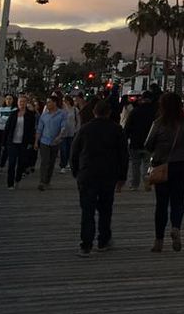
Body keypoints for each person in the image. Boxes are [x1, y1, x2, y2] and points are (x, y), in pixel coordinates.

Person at [69, 98, 127, 256]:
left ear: (94, 112)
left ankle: (86, 244)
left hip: (87, 174)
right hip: (108, 174)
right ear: (109, 113)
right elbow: (123, 155)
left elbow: (74, 152)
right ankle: (103, 240)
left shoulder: (85, 129)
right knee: (105, 209)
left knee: (87, 211)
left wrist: (76, 171)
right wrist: (122, 176)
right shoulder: (116, 130)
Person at [143, 91, 184, 253]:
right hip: (181, 165)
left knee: (161, 203)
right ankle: (176, 228)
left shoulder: (159, 123)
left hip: (162, 166)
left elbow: (148, 144)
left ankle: (158, 240)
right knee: (178, 201)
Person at [1, 95, 38, 188]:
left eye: (24, 102)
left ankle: (17, 178)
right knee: (12, 163)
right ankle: (10, 183)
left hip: (23, 142)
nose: (22, 103)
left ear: (26, 103)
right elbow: (7, 129)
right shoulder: (13, 114)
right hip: (12, 142)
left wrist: (31, 142)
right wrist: (4, 143)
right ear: (17, 103)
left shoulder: (30, 115)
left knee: (21, 163)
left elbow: (31, 130)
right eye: (20, 102)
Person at [123, 90, 157, 191]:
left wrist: (126, 138)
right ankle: (147, 179)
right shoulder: (155, 112)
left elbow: (127, 127)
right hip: (149, 142)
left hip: (135, 141)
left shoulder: (135, 111)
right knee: (147, 163)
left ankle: (134, 184)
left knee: (135, 164)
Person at [35, 96, 66, 190]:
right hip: (44, 141)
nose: (47, 104)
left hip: (55, 142)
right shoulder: (44, 115)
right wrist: (36, 141)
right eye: (47, 102)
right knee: (45, 161)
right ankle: (42, 181)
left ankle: (47, 180)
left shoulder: (62, 114)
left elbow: (63, 127)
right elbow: (39, 129)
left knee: (51, 162)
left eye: (49, 102)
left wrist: (59, 136)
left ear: (55, 103)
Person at [0, 95, 15, 168]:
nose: (8, 100)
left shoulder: (14, 109)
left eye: (10, 99)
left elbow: (13, 121)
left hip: (9, 131)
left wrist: (4, 119)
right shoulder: (0, 109)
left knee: (6, 148)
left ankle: (2, 164)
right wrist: (8, 120)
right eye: (7, 99)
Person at [58, 95, 80, 171]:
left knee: (70, 149)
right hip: (63, 133)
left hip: (71, 132)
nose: (65, 102)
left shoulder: (75, 110)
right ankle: (62, 165)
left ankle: (68, 163)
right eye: (64, 101)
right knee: (63, 149)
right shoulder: (61, 110)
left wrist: (76, 130)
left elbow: (78, 120)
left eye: (66, 101)